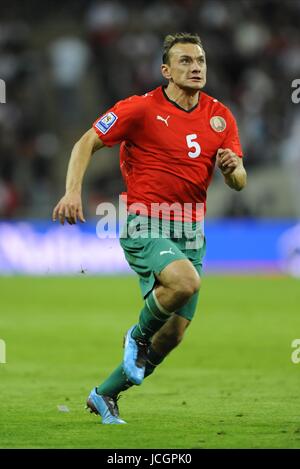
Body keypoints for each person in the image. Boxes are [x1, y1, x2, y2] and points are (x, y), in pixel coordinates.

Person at [52, 32, 247, 424]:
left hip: (192, 232)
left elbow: (240, 179)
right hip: (146, 220)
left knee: (172, 335)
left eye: (201, 61)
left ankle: (104, 394)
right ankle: (135, 337)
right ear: (166, 70)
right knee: (185, 282)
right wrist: (73, 191)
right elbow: (87, 141)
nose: (196, 68)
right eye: (186, 61)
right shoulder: (140, 109)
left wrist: (232, 170)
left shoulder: (220, 115)